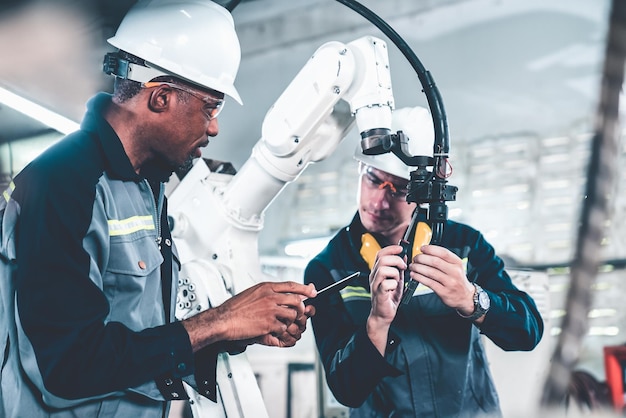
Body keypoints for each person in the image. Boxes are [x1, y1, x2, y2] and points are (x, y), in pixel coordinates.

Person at [0, 1, 316, 417]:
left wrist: (241, 327)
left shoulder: (147, 185)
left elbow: (143, 339)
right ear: (162, 97)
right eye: (211, 106)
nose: (215, 127)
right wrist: (218, 321)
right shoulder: (63, 184)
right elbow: (67, 365)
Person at [304, 106, 544, 418]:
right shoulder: (328, 269)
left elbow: (528, 332)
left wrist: (472, 300)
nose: (379, 201)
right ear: (360, 171)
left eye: (400, 190)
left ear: (426, 192)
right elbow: (346, 388)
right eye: (373, 179)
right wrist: (376, 322)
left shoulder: (464, 246)